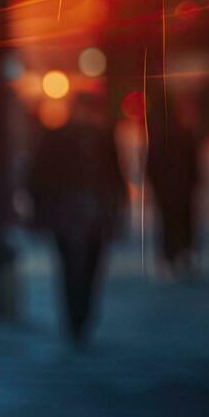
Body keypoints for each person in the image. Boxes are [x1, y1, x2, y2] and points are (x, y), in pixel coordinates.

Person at [28, 94, 126, 345]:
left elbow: (115, 178)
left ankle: (78, 317)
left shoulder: (97, 138)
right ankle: (77, 318)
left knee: (82, 269)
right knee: (76, 269)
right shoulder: (62, 137)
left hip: (86, 215)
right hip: (72, 214)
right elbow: (38, 177)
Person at [145, 93, 200, 278]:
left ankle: (171, 255)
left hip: (167, 187)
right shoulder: (184, 132)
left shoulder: (158, 135)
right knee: (183, 220)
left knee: (168, 221)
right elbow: (193, 162)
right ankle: (183, 252)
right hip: (183, 187)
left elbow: (152, 164)